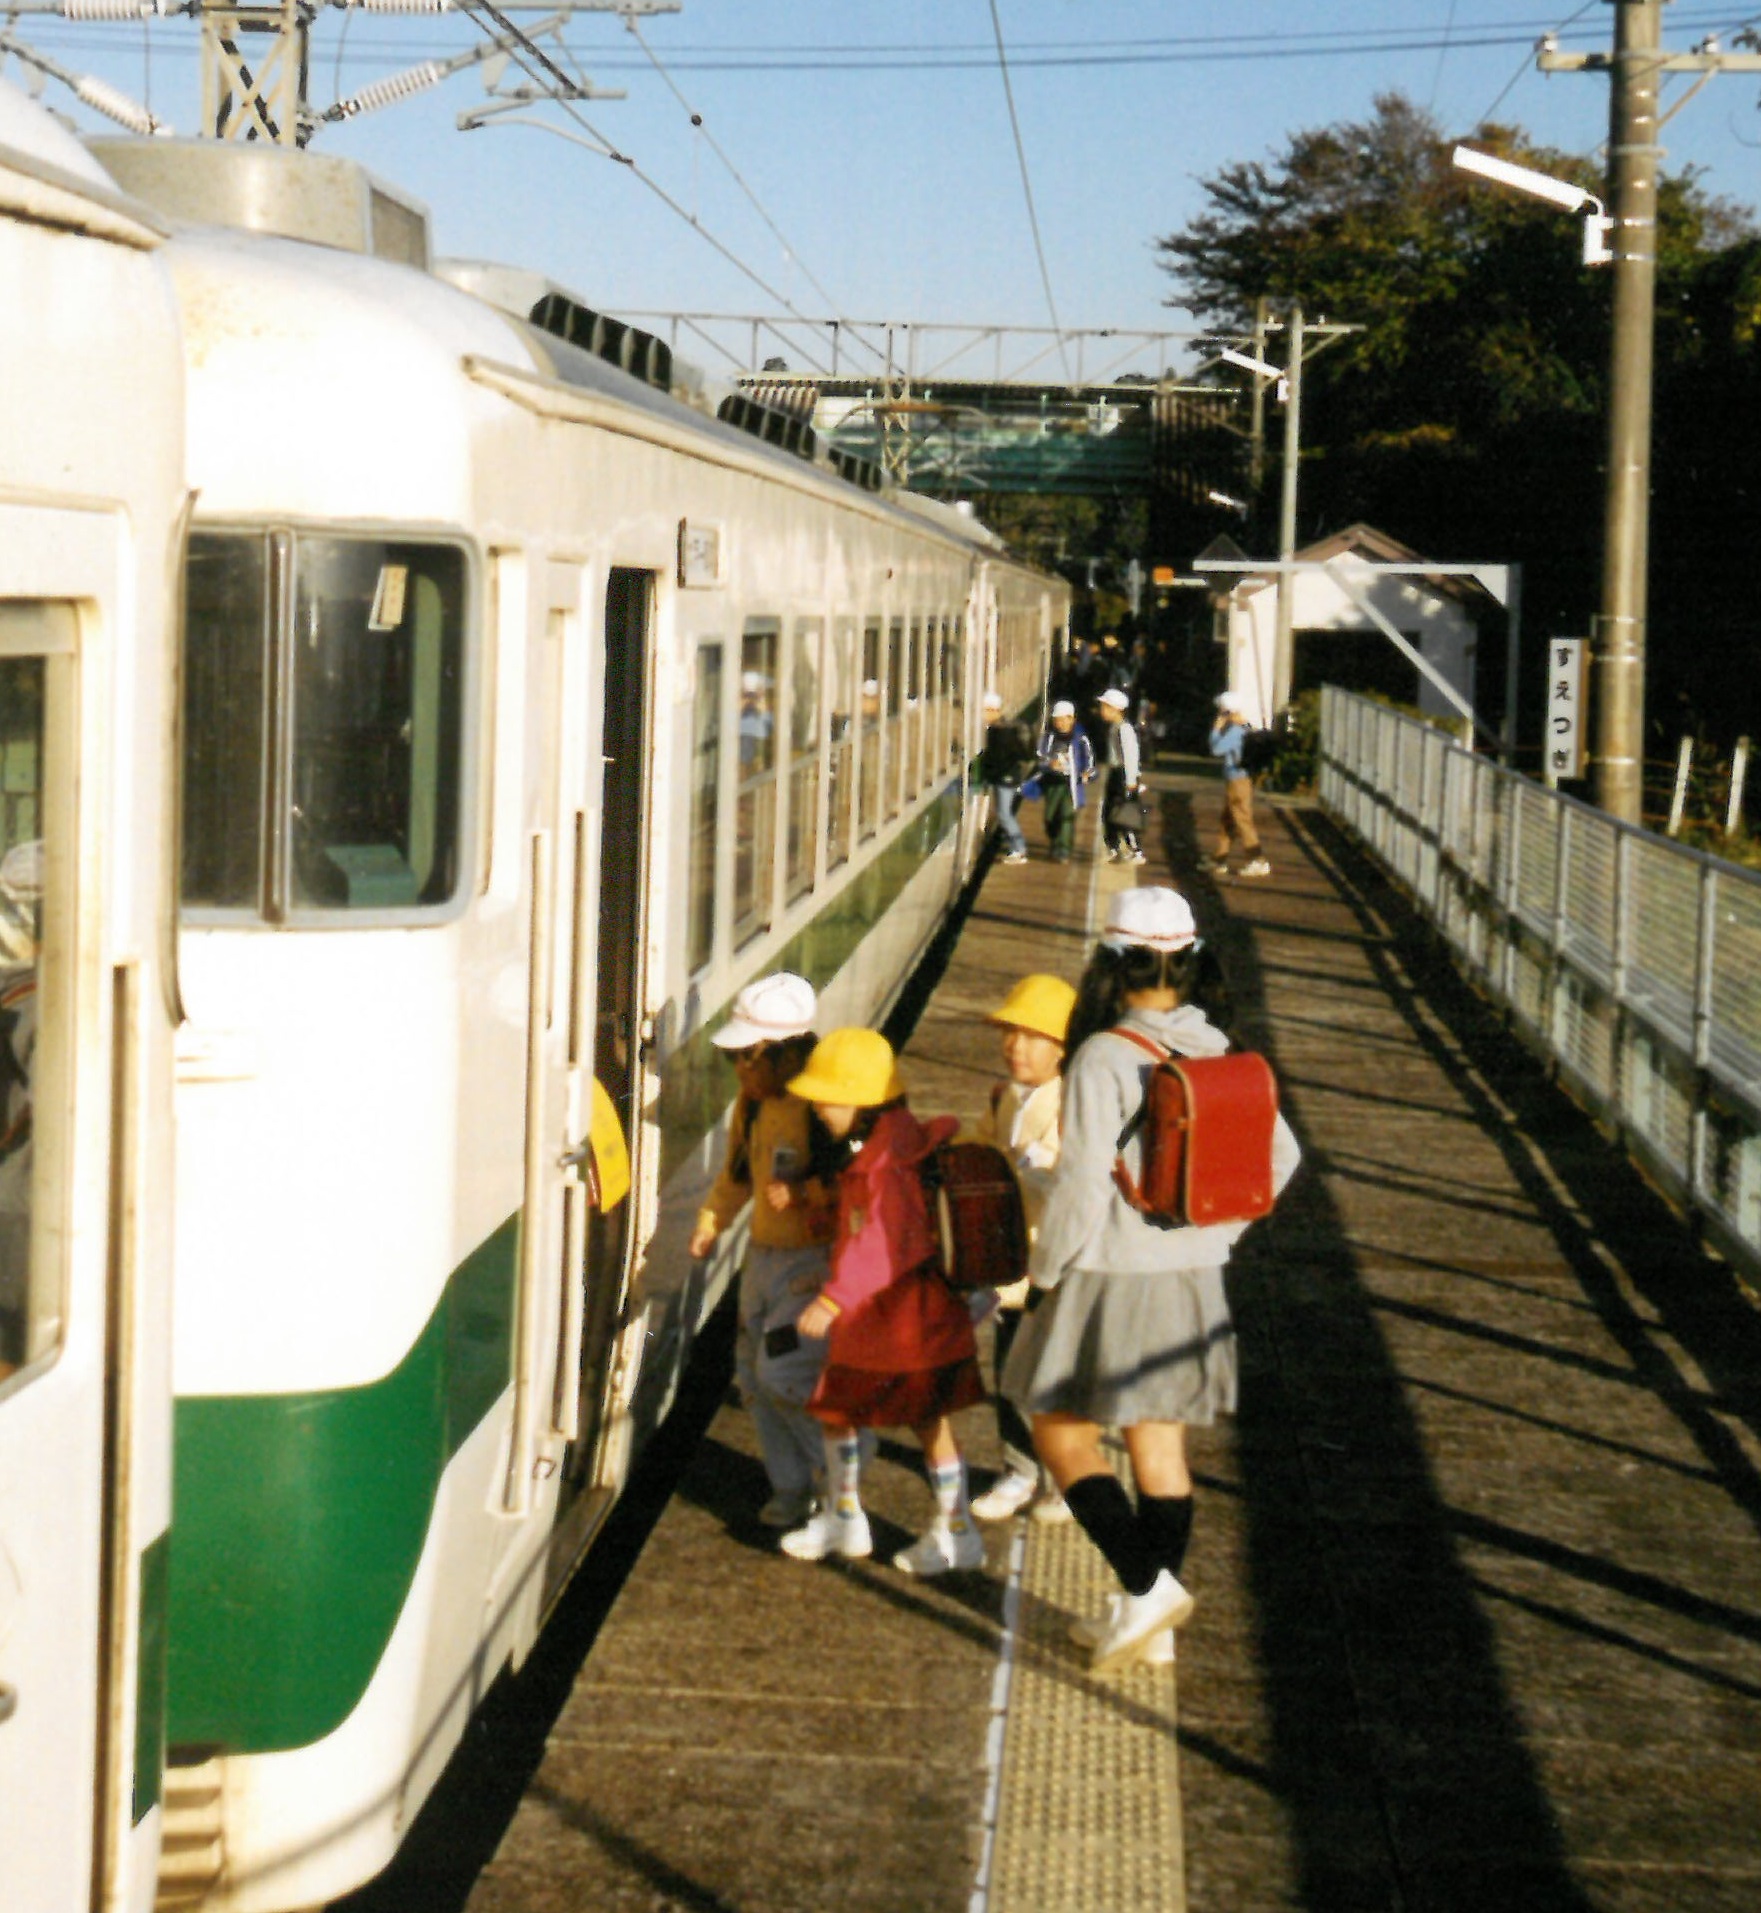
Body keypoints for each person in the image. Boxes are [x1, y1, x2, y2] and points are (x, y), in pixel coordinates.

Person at [1002, 887, 1300, 1673]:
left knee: (1056, 1430)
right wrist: (1215, 1234)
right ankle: (1151, 1624)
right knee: (1157, 1447)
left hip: (1111, 1274)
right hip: (1194, 1278)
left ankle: (1145, 1588)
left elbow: (1078, 1190)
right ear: (1191, 962)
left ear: (1110, 962)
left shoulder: (1102, 1054)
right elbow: (1284, 1160)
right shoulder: (1220, 1047)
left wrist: (1041, 1269)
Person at [782, 1028, 989, 1575]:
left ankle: (894, 1523)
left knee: (863, 1413)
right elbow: (862, 1235)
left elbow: (880, 1243)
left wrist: (833, 1297)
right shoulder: (890, 1146)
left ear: (862, 1099)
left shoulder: (886, 1165)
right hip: (903, 1313)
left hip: (894, 1319)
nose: (819, 1109)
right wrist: (830, 1278)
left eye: (827, 1097)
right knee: (900, 1417)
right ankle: (936, 1526)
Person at [688, 973, 841, 1529]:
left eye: (746, 1058)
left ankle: (837, 1475)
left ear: (785, 1055)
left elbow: (860, 1181)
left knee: (785, 1376)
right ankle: (792, 1487)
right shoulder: (750, 1107)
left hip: (810, 1265)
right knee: (751, 1377)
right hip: (762, 1258)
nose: (739, 1072)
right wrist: (712, 1221)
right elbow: (735, 1174)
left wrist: (807, 1192)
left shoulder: (823, 1109)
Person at [969, 974, 1076, 1525]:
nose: (1015, 1046)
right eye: (1010, 1033)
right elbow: (980, 1148)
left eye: (1032, 1036)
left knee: (1054, 1378)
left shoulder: (1075, 1105)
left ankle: (1064, 1477)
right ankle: (1019, 1469)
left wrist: (1035, 1173)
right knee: (1011, 1370)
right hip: (1010, 1262)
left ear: (1063, 1047)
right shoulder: (1004, 1097)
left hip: (1055, 1268)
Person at [1202, 691, 1270, 879]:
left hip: (1236, 779)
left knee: (1242, 818)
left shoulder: (1234, 731)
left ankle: (1257, 859)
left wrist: (1216, 729)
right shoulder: (1247, 727)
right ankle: (1219, 858)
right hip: (1244, 778)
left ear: (1226, 711)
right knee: (1228, 819)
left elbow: (1216, 749)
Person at [979, 690, 1035, 865]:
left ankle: (1019, 849)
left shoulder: (1001, 732)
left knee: (1004, 814)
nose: (983, 715)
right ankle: (1016, 848)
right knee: (1004, 813)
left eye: (985, 710)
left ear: (994, 710)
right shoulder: (1002, 729)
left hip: (1006, 778)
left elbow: (998, 758)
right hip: (1007, 776)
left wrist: (987, 774)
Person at [1034, 700, 1094, 863]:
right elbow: (1040, 756)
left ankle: (1063, 850)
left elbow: (1089, 761)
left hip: (1071, 784)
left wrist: (1088, 773)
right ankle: (1054, 842)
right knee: (1050, 816)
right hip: (1053, 782)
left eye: (1063, 719)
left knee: (1066, 816)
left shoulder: (1080, 739)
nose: (1060, 724)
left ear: (1071, 719)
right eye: (1056, 720)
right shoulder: (1049, 738)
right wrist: (1049, 763)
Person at [1096, 686, 1146, 865]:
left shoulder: (1124, 729)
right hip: (1115, 772)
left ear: (1115, 709)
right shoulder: (1114, 728)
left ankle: (1135, 849)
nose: (1101, 711)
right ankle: (1113, 847)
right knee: (1108, 811)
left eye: (1104, 707)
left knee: (1124, 813)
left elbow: (1131, 755)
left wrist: (1131, 780)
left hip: (1123, 775)